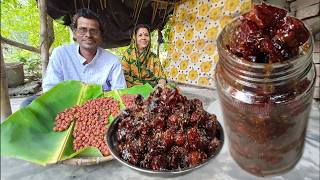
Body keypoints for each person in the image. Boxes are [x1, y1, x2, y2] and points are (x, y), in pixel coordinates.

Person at [20, 8, 126, 107]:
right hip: (65, 105)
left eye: (93, 31)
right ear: (75, 33)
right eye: (82, 30)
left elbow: (120, 93)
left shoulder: (112, 61)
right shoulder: (61, 53)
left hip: (98, 107)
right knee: (28, 104)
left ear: (101, 36)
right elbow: (50, 88)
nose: (88, 35)